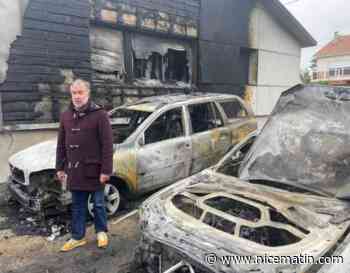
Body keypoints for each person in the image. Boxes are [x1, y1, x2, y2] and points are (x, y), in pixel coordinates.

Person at [56, 79, 113, 252]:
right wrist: (60, 167)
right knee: (78, 205)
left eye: (81, 92)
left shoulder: (100, 114)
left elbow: (107, 144)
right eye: (74, 93)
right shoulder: (66, 116)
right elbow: (61, 144)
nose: (77, 96)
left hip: (94, 170)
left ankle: (101, 232)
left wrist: (106, 170)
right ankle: (77, 237)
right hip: (75, 170)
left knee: (98, 204)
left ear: (88, 94)